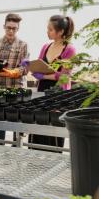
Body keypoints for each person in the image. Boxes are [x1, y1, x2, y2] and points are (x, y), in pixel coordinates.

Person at [28, 14, 76, 150]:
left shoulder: (69, 50)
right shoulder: (46, 47)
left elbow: (65, 76)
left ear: (60, 32)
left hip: (59, 93)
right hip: (43, 89)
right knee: (40, 123)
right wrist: (31, 66)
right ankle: (36, 157)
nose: (47, 32)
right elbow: (39, 64)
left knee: (54, 128)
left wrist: (43, 76)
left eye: (50, 29)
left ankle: (53, 157)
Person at [0, 13, 29, 144]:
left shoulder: (23, 45)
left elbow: (25, 67)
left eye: (14, 28)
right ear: (4, 26)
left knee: (15, 119)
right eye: (8, 27)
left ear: (18, 29)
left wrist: (14, 72)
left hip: (15, 88)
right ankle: (0, 143)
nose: (11, 31)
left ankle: (17, 144)